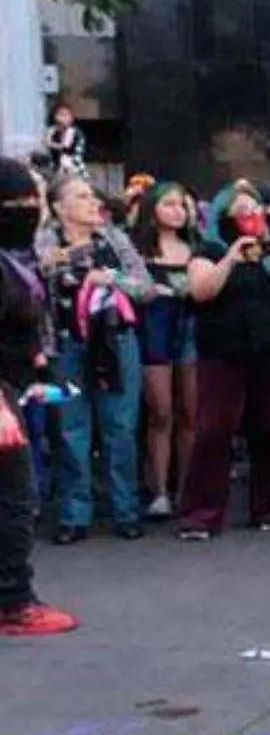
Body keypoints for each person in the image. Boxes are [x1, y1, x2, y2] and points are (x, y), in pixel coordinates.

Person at [175, 182, 270, 540]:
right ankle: (201, 514)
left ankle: (267, 506)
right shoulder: (209, 249)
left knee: (269, 431)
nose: (251, 217)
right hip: (224, 353)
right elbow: (201, 290)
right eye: (242, 211)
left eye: (255, 210)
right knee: (214, 431)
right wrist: (231, 258)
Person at [35, 175, 155, 544]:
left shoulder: (113, 239)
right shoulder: (45, 243)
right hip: (66, 345)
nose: (92, 203)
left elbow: (146, 287)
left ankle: (126, 510)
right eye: (82, 197)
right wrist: (53, 266)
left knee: (120, 427)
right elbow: (31, 285)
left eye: (93, 196)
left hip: (115, 342)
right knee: (71, 430)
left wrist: (113, 278)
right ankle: (74, 514)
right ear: (59, 207)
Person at [0, 157, 79, 636]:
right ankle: (13, 601)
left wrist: (35, 361)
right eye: (21, 202)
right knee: (14, 494)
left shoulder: (16, 259)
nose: (33, 210)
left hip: (13, 382)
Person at [128, 182, 201, 520]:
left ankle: (186, 488)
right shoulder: (139, 250)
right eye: (169, 204)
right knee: (161, 412)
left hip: (191, 327)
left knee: (191, 412)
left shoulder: (196, 248)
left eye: (182, 205)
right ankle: (158, 490)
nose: (177, 211)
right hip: (153, 329)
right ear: (152, 209)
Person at [40, 103, 87, 178]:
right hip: (56, 168)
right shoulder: (53, 131)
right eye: (58, 115)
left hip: (74, 168)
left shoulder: (74, 131)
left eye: (63, 115)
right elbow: (44, 142)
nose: (59, 118)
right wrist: (49, 135)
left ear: (71, 118)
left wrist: (49, 142)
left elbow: (65, 146)